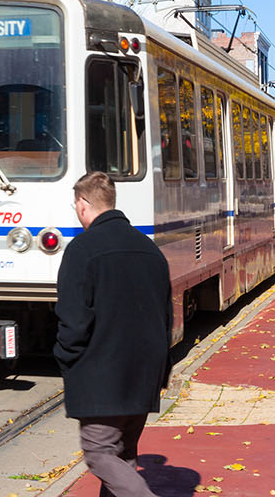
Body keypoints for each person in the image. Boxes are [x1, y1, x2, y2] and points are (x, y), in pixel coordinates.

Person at [54, 171, 173, 497]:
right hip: (145, 374)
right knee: (123, 455)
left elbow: (73, 320)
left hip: (102, 375)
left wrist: (66, 360)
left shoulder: (81, 250)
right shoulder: (149, 250)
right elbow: (166, 316)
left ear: (82, 205)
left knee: (100, 453)